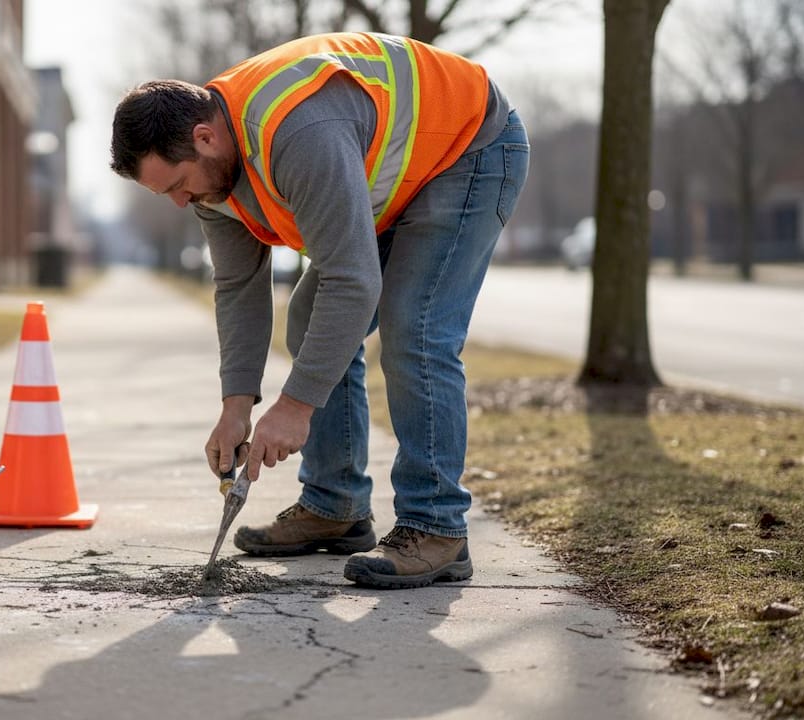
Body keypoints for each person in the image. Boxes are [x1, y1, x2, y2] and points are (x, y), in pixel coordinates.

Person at [110, 32, 529, 589]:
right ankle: (336, 506)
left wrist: (295, 406)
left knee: (415, 326)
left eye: (178, 185)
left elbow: (352, 282)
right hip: (398, 177)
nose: (180, 203)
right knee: (310, 320)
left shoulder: (299, 132)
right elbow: (239, 287)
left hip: (470, 146)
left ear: (205, 137)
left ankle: (437, 528)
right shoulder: (214, 179)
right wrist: (236, 406)